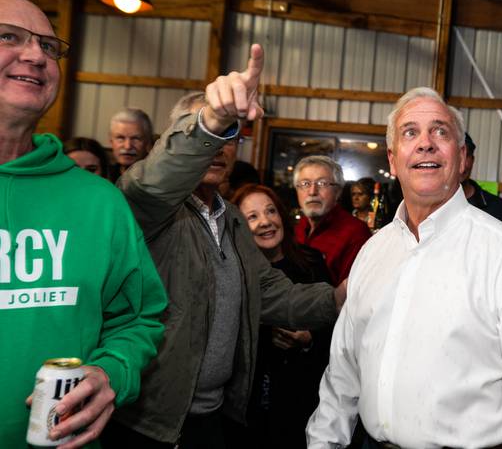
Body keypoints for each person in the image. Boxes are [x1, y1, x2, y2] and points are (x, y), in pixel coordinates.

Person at [307, 87, 502, 448]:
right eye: (410, 133)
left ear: (462, 156)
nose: (425, 144)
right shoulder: (373, 252)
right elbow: (342, 375)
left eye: (440, 131)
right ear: (392, 159)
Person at [104, 46, 347, 449]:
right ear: (174, 141)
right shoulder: (146, 204)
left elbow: (267, 291)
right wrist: (213, 120)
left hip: (212, 417)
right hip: (149, 421)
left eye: (229, 133)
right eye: (206, 133)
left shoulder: (231, 217)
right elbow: (156, 180)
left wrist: (336, 299)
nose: (219, 145)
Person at [0, 0, 166, 448]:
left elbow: (138, 318)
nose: (36, 55)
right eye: (9, 36)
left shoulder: (99, 202)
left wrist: (112, 370)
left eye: (49, 47)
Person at [231, 184, 333, 448]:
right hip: (246, 406)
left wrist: (309, 338)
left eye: (270, 211)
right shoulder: (233, 273)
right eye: (252, 217)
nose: (265, 222)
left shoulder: (311, 263)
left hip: (302, 400)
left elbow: (338, 328)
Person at [294, 155, 372, 286]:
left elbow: (349, 297)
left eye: (322, 183)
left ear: (338, 192)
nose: (312, 192)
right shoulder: (296, 228)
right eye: (305, 184)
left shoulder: (356, 234)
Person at [461, 132, 502, 226]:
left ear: (472, 160)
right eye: (455, 156)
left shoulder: (500, 209)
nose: (461, 165)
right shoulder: (429, 205)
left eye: (465, 156)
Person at [108, 107, 153, 181]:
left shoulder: (158, 179)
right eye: (120, 138)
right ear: (111, 142)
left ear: (148, 143)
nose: (127, 146)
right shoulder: (103, 176)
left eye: (135, 139)